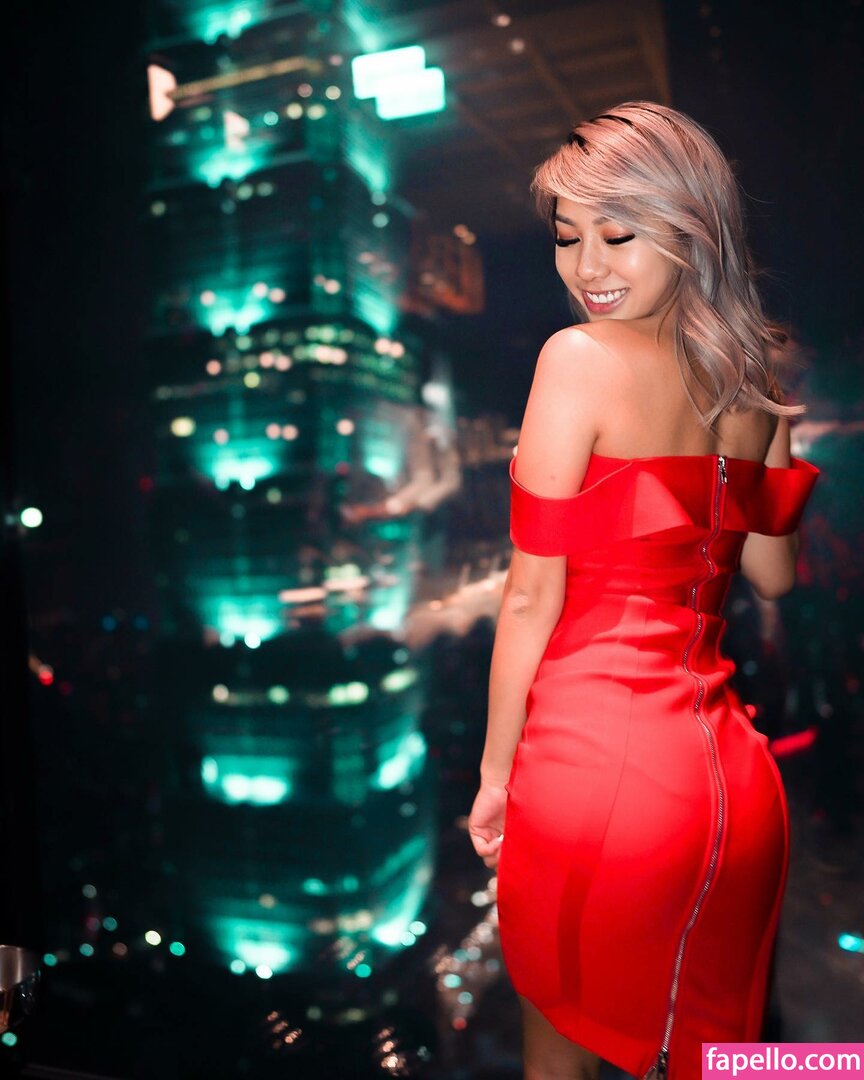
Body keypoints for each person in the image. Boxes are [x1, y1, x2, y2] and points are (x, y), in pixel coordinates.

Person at [467, 102, 819, 1080]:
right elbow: (772, 573)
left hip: (594, 779)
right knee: (718, 1057)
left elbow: (530, 597)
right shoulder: (754, 375)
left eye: (618, 235)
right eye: (567, 237)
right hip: (734, 788)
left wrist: (495, 779)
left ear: (690, 228)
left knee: (562, 1052)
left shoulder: (576, 359)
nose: (587, 267)